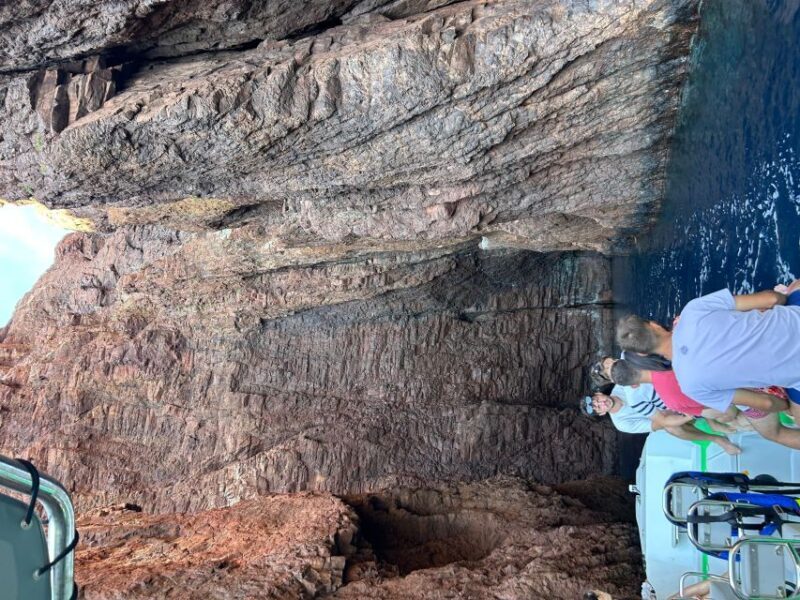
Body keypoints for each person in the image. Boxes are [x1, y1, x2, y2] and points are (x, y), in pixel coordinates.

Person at [615, 282, 800, 416]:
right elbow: (772, 299)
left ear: (643, 353)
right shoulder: (693, 310)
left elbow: (766, 403)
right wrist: (785, 296)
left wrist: (787, 407)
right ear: (654, 325)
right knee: (794, 287)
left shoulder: (690, 386)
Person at [611, 359, 800, 450]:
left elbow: (741, 400)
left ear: (633, 385)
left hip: (746, 389)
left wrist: (782, 406)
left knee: (773, 433)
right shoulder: (667, 359)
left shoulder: (671, 397)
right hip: (753, 365)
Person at [580, 385, 741, 454]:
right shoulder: (622, 423)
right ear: (601, 414)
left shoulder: (622, 385)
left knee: (729, 414)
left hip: (673, 397)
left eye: (597, 400)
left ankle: (710, 420)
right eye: (598, 408)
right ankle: (715, 438)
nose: (601, 404)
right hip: (669, 415)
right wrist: (687, 416)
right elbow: (658, 424)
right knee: (672, 428)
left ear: (599, 394)